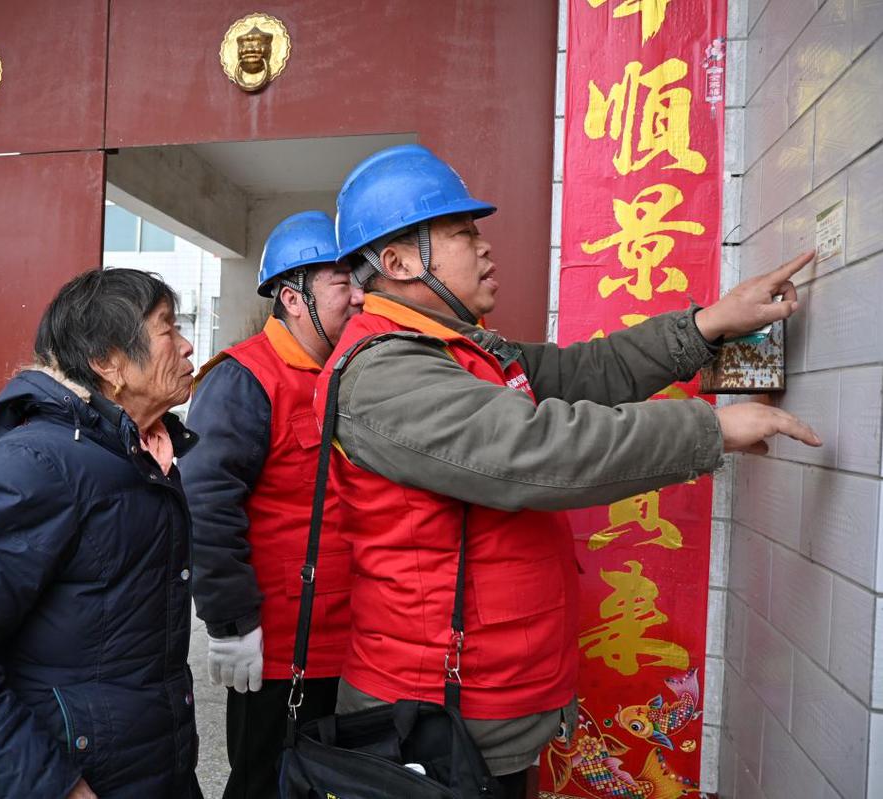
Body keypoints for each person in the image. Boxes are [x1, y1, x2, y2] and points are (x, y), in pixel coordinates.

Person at [314, 144, 821, 798]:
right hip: (434, 710)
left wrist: (708, 324)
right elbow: (537, 452)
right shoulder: (386, 373)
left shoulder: (457, 350)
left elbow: (584, 372)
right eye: (463, 233)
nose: (485, 247)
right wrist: (711, 429)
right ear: (399, 262)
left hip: (479, 693)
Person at [0, 268, 202, 799]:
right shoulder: (41, 466)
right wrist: (51, 787)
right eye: (168, 329)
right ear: (107, 362)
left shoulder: (144, 457)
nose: (186, 345)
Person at [181, 211, 364, 798]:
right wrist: (231, 622)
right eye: (343, 283)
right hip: (284, 649)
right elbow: (205, 505)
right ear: (292, 298)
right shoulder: (244, 379)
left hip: (358, 640)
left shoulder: (351, 374)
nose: (359, 297)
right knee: (267, 783)